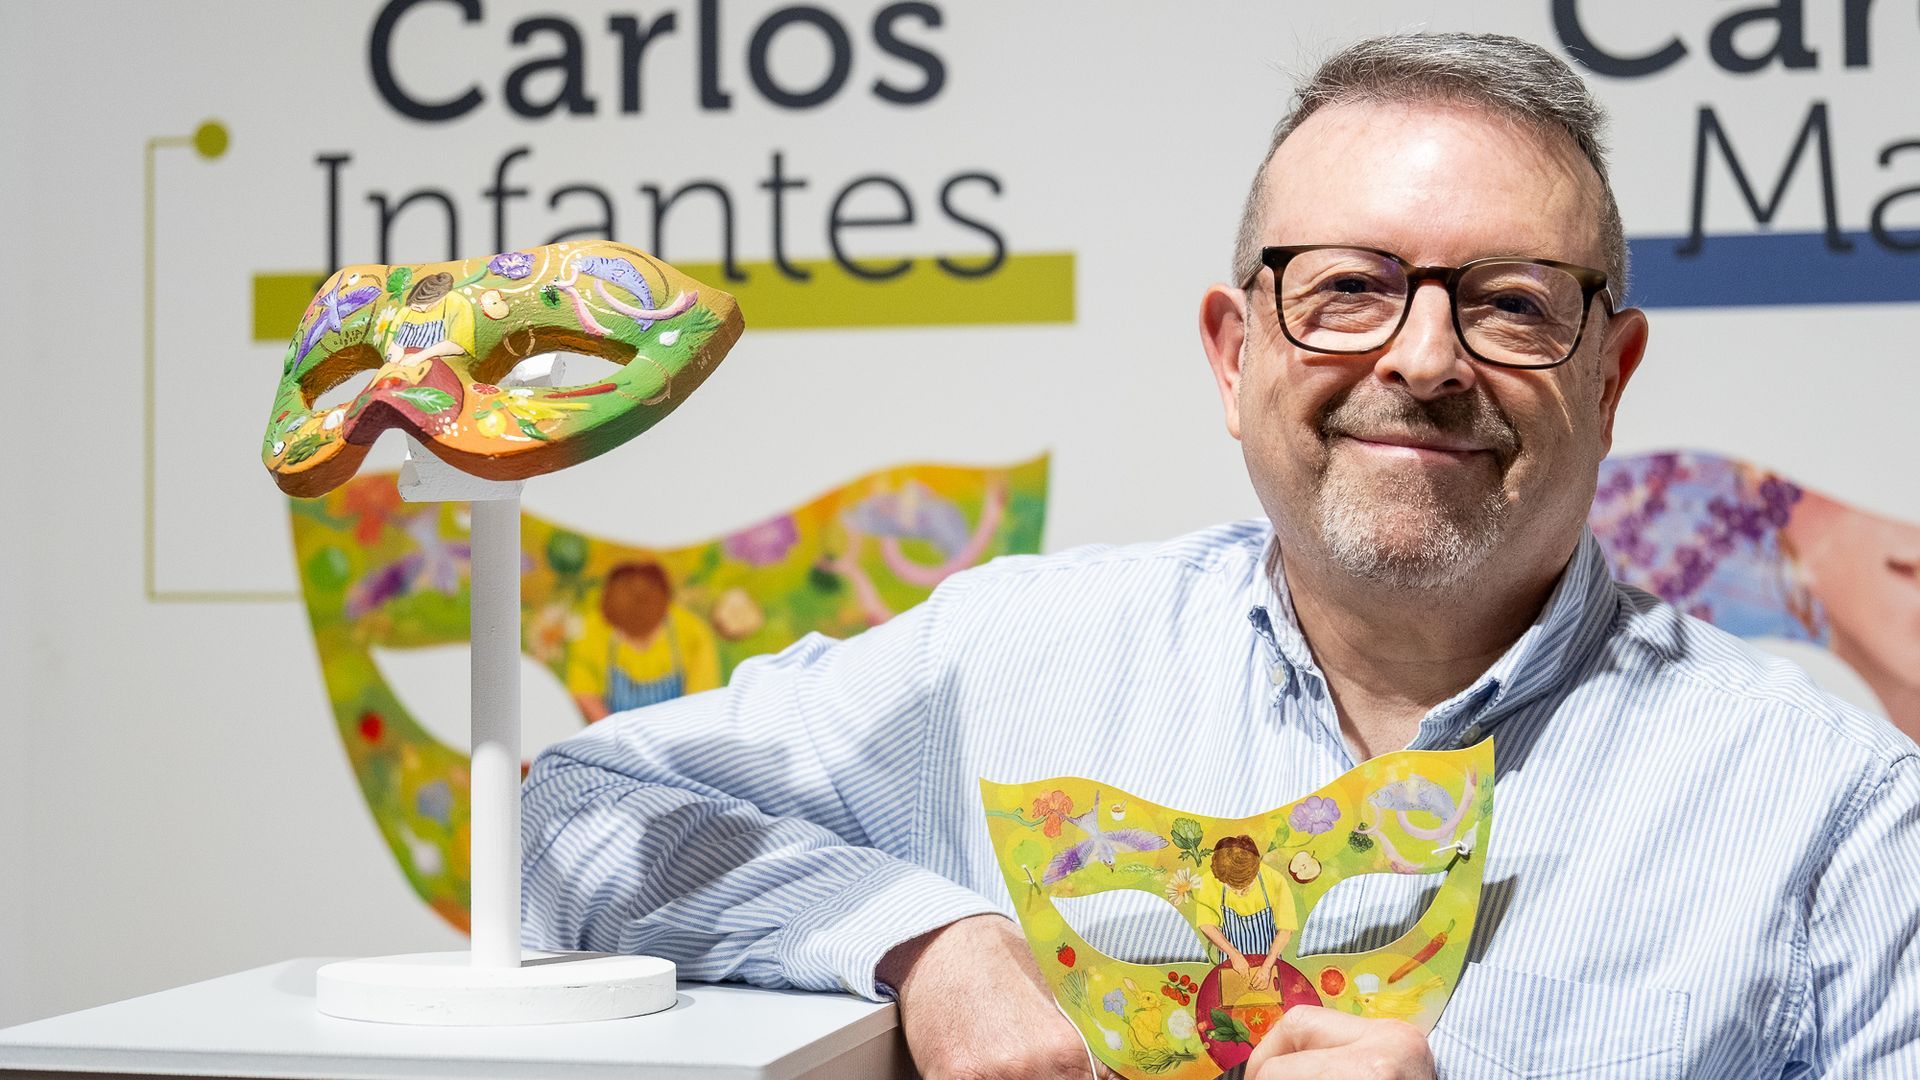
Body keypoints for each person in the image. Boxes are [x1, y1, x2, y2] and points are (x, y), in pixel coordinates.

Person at [519, 33, 1920, 1079]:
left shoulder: (1837, 817)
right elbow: (567, 816)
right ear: (1231, 355)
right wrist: (921, 940)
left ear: (1609, 378)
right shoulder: (1009, 662)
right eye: (1350, 289)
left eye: (1510, 303)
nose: (1424, 359)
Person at [566, 560, 721, 721]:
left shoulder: (694, 633)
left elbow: (700, 702)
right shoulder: (590, 630)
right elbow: (584, 692)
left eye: (647, 635)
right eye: (626, 634)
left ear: (665, 610)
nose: (638, 646)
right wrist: (614, 731)